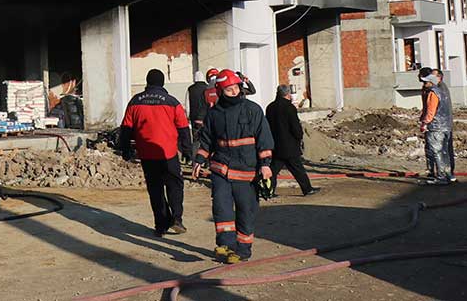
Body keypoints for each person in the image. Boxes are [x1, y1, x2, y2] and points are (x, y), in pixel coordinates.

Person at [192, 70, 274, 264]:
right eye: (229, 89)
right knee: (222, 209)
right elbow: (206, 141)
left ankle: (243, 249)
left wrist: (265, 165)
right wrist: (199, 159)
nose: (234, 91)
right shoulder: (214, 114)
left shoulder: (252, 110)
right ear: (220, 91)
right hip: (221, 169)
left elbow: (264, 138)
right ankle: (226, 246)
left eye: (236, 87)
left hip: (246, 172)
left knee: (246, 212)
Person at [119, 69, 192, 236]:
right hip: (168, 154)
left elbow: (126, 128)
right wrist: (187, 150)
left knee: (155, 189)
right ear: (162, 83)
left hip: (147, 154)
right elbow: (183, 129)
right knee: (174, 185)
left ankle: (161, 225)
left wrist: (125, 149)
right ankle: (176, 219)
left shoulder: (135, 101)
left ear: (147, 81)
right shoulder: (172, 102)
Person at [265, 85, 321, 196]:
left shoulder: (270, 107)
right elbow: (295, 126)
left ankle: (269, 191)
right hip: (289, 145)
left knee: (273, 170)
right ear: (288, 94)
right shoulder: (289, 107)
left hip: (275, 144)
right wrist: (299, 136)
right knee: (298, 169)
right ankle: (307, 189)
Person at [419, 67, 455, 185]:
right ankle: (448, 174)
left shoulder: (433, 93)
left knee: (437, 151)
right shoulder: (442, 91)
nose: (424, 84)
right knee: (444, 151)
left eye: (425, 81)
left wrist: (424, 123)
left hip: (436, 127)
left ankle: (441, 177)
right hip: (445, 126)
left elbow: (430, 111)